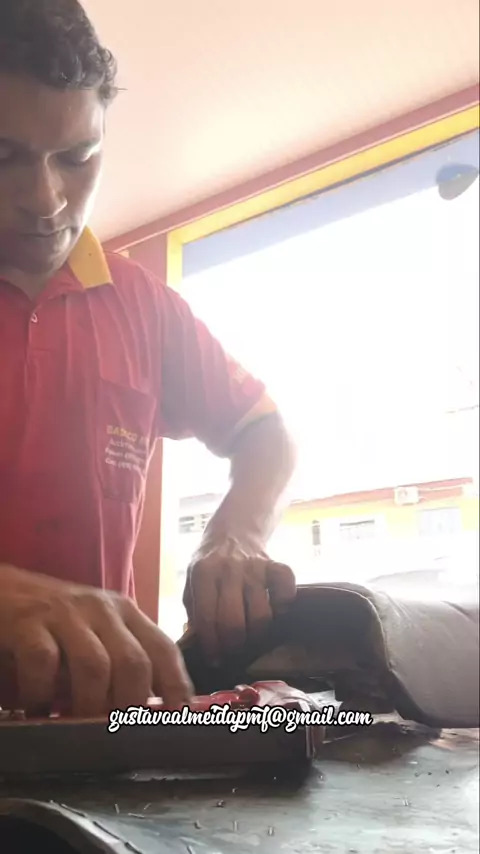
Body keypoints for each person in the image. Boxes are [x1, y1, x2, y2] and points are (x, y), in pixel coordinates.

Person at [0, 0, 297, 717]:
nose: (46, 199)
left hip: (96, 731)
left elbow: (265, 432)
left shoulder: (143, 304)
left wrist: (234, 537)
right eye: (3, 157)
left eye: (78, 158)